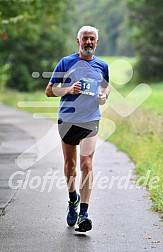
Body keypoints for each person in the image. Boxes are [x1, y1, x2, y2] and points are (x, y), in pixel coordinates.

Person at [45, 25, 110, 232]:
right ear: (78, 41)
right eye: (85, 39)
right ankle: (73, 197)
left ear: (97, 42)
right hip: (68, 119)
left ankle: (84, 213)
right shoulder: (66, 62)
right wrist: (68, 89)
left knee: (86, 163)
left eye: (92, 39)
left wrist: (104, 96)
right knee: (70, 165)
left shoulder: (102, 65)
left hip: (91, 120)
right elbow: (49, 90)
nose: (89, 42)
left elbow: (105, 86)